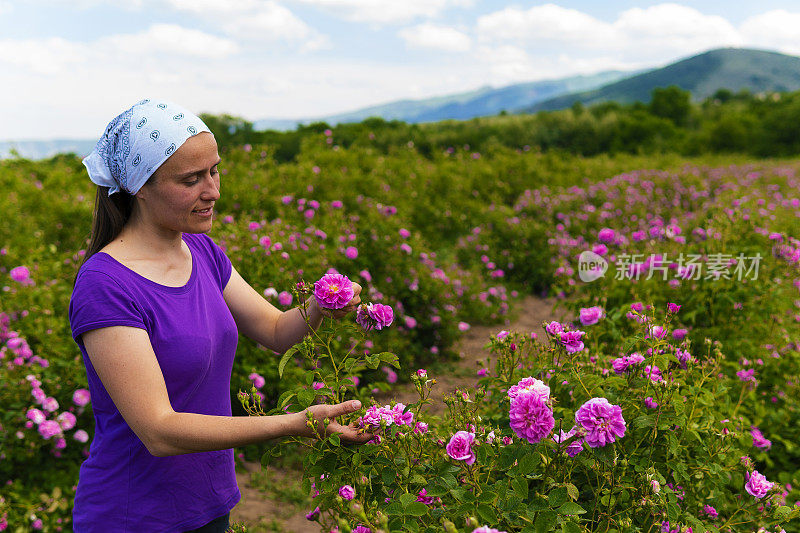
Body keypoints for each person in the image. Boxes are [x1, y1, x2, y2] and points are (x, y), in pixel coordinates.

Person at [69, 99, 370, 532]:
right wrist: (294, 425)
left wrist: (322, 301)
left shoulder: (202, 251)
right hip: (134, 515)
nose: (212, 191)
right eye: (191, 179)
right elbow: (160, 430)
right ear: (139, 186)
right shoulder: (106, 284)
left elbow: (275, 330)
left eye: (214, 171)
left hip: (209, 503)